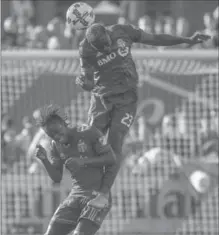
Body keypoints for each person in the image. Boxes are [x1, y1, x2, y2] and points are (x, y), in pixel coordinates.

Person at [76, 22, 211, 210]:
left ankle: (103, 193)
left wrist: (186, 40)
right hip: (101, 100)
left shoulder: (123, 31)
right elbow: (89, 83)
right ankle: (83, 188)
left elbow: (154, 38)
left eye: (107, 44)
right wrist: (84, 82)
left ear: (108, 33)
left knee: (115, 145)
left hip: (126, 100)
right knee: (91, 144)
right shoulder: (85, 50)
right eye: (102, 48)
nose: (106, 49)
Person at [15, 105, 116, 235]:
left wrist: (84, 161)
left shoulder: (88, 133)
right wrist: (44, 160)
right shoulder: (54, 145)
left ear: (64, 123)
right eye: (50, 134)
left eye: (57, 130)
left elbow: (111, 160)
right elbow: (57, 178)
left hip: (97, 196)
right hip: (76, 196)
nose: (55, 136)